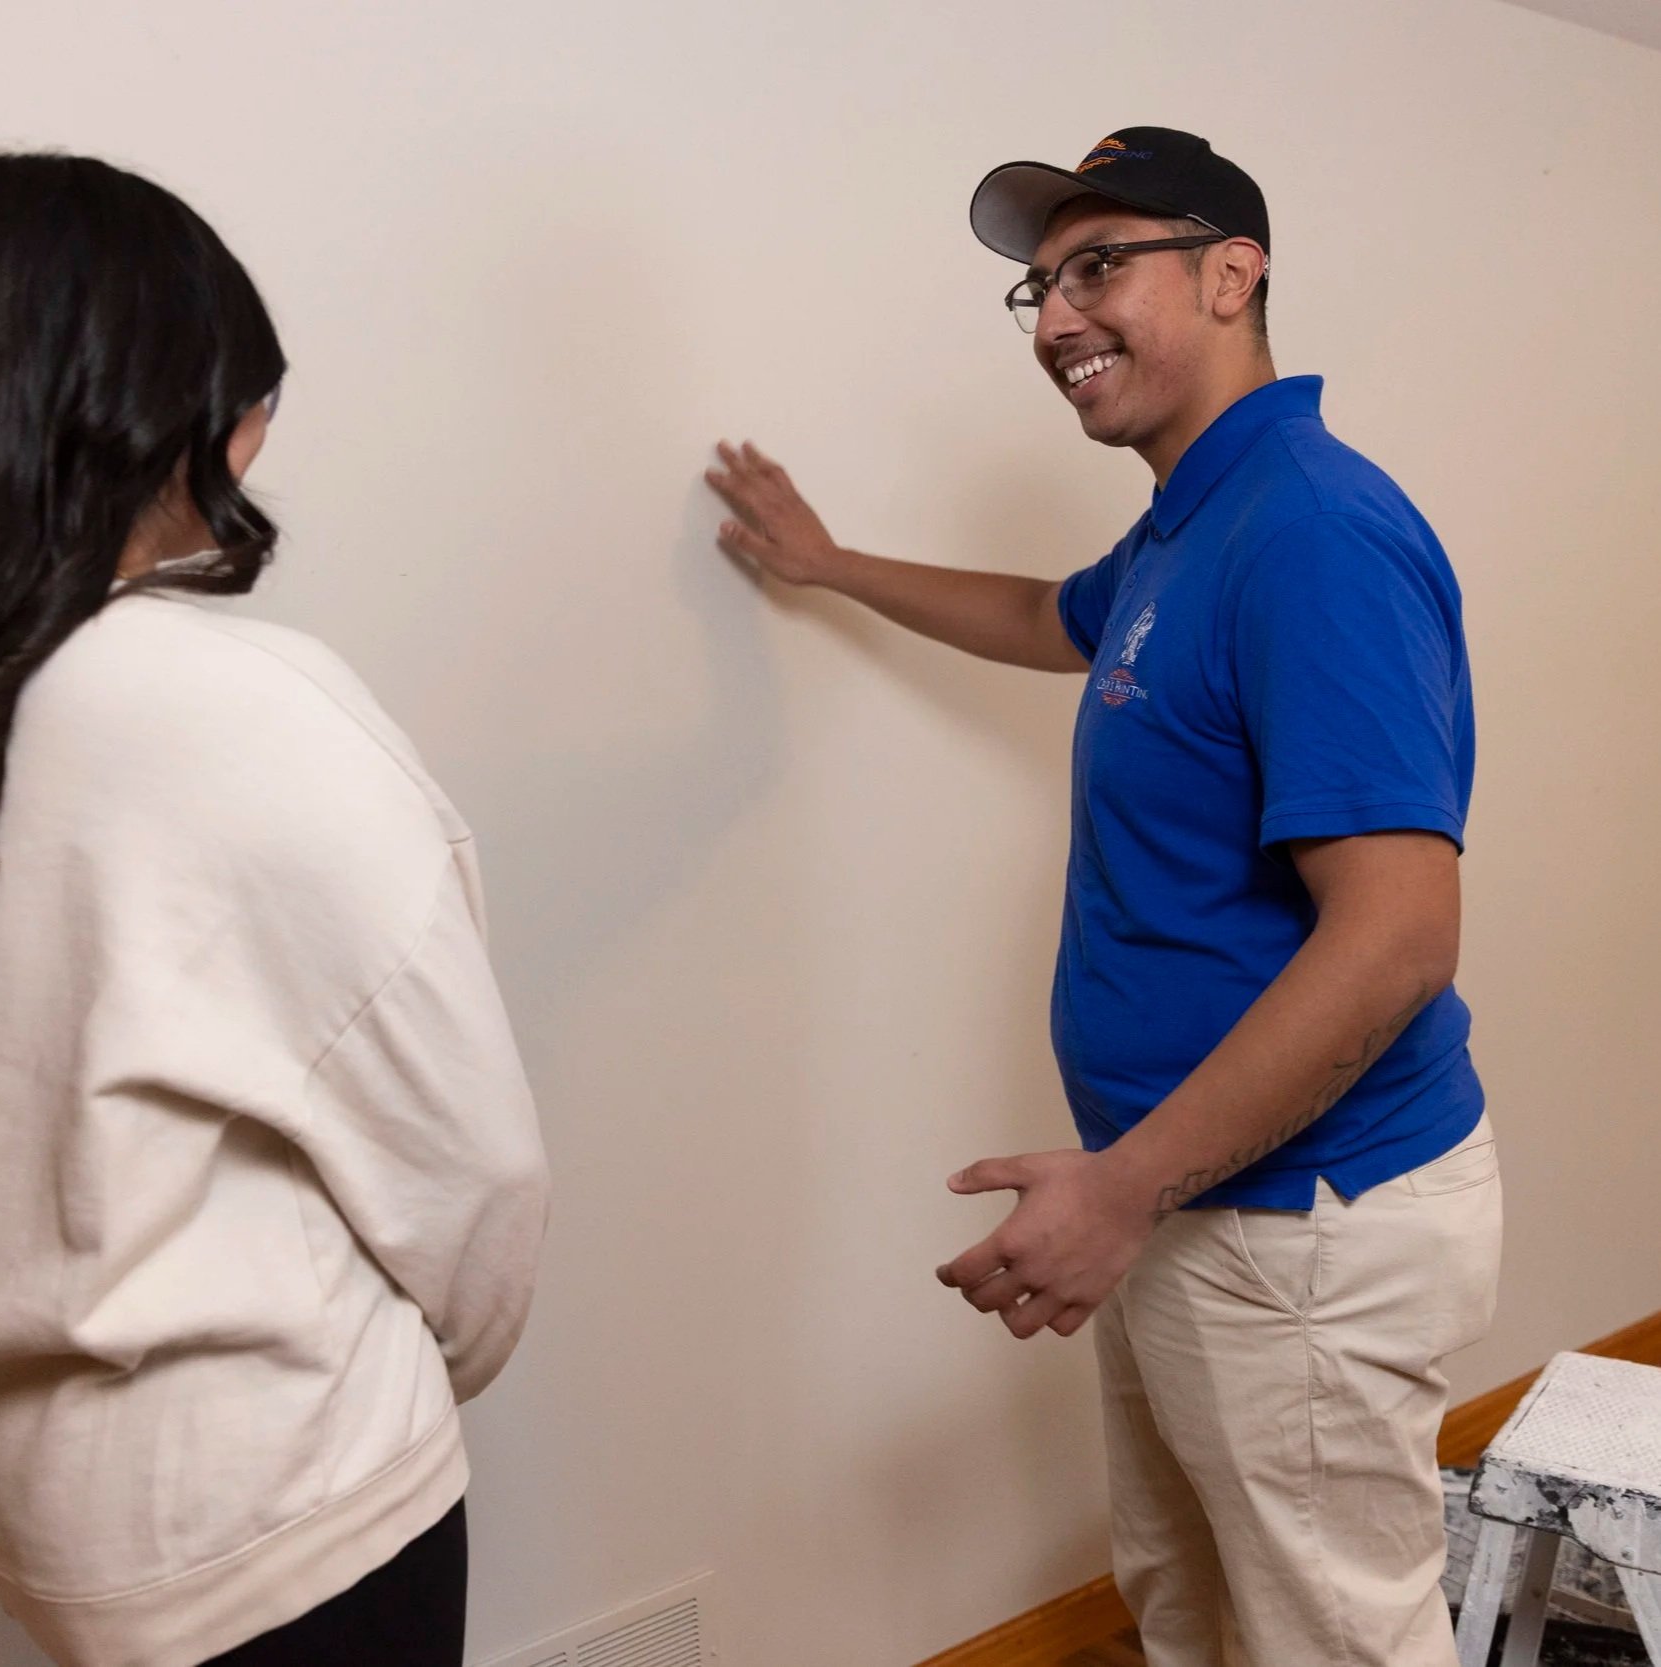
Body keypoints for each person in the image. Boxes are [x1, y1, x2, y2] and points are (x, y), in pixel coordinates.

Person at [707, 126, 1501, 1666]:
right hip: (1193, 1195)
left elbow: (1401, 933)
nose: (1057, 317)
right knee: (1188, 1599)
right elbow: (1046, 615)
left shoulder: (1311, 532)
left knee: (1334, 1637)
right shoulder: (1190, 523)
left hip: (1300, 1219)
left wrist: (1123, 1187)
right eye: (1040, 288)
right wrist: (829, 562)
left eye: (1097, 267)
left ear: (1231, 274)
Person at [0, 154, 549, 1667]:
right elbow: (475, 1175)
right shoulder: (227, 706)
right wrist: (416, 1382)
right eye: (247, 401)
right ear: (141, 408)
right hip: (289, 1522)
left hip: (56, 1541)